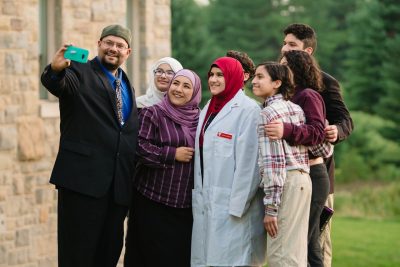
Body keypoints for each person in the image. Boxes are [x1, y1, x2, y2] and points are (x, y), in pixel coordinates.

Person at [40, 25, 139, 267]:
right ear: (99, 43)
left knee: (108, 255)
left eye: (119, 45)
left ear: (128, 52)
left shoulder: (127, 85)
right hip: (82, 184)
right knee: (78, 256)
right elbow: (58, 84)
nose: (113, 48)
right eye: (109, 43)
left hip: (116, 191)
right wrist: (54, 70)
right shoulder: (80, 71)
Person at [266, 23, 354, 267]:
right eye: (284, 43)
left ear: (308, 51)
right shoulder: (279, 81)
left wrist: (337, 130)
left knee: (316, 239)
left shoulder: (325, 83)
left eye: (292, 45)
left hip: (318, 171)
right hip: (288, 175)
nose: (285, 48)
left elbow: (346, 120)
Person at [191, 57, 267, 267]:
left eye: (220, 75)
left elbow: (249, 167)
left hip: (234, 207)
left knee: (232, 260)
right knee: (206, 260)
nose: (213, 80)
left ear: (233, 77)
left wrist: (236, 206)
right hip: (207, 200)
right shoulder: (208, 108)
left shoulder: (249, 110)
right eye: (211, 75)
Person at [123, 69, 202, 267]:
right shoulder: (154, 113)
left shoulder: (200, 119)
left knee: (177, 258)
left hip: (184, 206)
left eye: (186, 86)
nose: (178, 89)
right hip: (151, 200)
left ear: (195, 92)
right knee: (146, 258)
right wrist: (172, 154)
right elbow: (139, 147)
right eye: (176, 83)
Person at [252, 61, 312, 267]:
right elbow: (320, 146)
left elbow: (274, 165)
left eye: (260, 77)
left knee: (280, 256)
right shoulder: (296, 108)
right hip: (304, 180)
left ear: (277, 83)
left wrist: (271, 209)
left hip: (286, 182)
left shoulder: (268, 114)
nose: (254, 81)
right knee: (295, 253)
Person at [281, 50, 333, 266]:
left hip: (313, 174)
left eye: (285, 65)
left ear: (297, 69)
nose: (281, 69)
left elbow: (317, 133)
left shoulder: (308, 95)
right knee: (297, 239)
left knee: (308, 240)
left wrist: (286, 130)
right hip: (295, 173)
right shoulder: (288, 96)